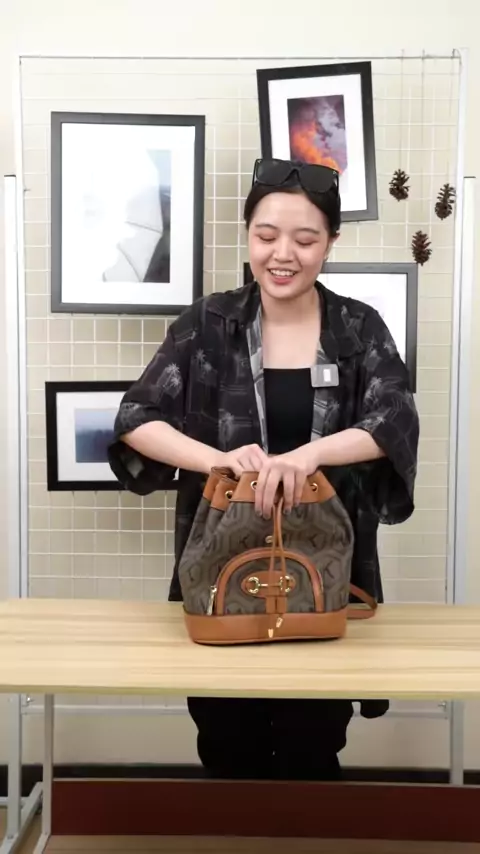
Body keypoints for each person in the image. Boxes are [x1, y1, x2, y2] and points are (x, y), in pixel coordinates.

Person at [108, 157, 419, 781]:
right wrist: (218, 460)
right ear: (247, 234)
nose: (283, 254)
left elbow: (394, 419)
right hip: (221, 571)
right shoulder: (207, 324)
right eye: (266, 235)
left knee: (315, 746)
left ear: (330, 242)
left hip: (324, 571)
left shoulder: (358, 327)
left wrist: (311, 454)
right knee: (227, 744)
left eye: (305, 239)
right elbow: (136, 418)